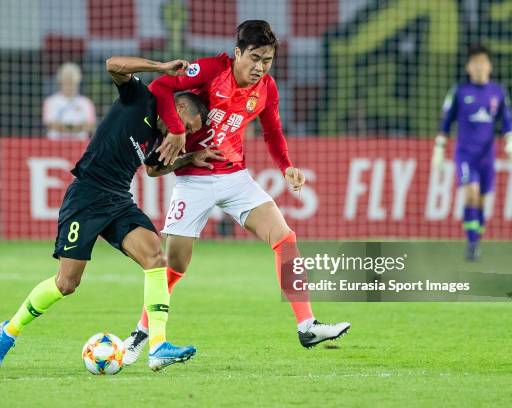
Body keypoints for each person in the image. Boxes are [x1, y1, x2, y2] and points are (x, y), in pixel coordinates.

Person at [121, 20, 350, 364]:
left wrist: (285, 165)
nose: (260, 67)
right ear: (238, 52)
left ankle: (307, 324)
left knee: (284, 238)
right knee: (174, 266)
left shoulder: (268, 89)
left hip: (236, 177)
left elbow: (272, 132)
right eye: (254, 58)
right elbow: (161, 86)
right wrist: (178, 128)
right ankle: (143, 334)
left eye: (268, 60)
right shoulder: (212, 70)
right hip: (193, 179)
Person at [0, 55, 224, 372]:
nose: (186, 135)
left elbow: (153, 169)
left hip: (118, 199)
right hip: (86, 194)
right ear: (180, 110)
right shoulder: (141, 98)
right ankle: (9, 331)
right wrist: (161, 68)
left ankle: (158, 346)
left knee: (156, 257)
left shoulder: (158, 135)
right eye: (190, 127)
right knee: (67, 283)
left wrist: (191, 156)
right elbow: (113, 64)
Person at [432, 44, 512, 261]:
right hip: (465, 154)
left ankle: (476, 239)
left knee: (481, 201)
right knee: (470, 194)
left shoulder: (498, 92)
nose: (480, 67)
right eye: (475, 63)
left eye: (483, 63)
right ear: (468, 67)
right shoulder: (460, 92)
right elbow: (446, 122)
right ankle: (471, 244)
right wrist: (439, 148)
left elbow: (507, 121)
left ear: (490, 66)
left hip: (487, 156)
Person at [43, 62, 96, 140]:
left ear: (78, 80)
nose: (69, 84)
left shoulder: (86, 103)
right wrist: (77, 128)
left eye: (72, 80)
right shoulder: (50, 102)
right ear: (60, 80)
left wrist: (63, 127)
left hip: (79, 146)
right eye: (66, 80)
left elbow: (90, 126)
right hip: (55, 146)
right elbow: (50, 125)